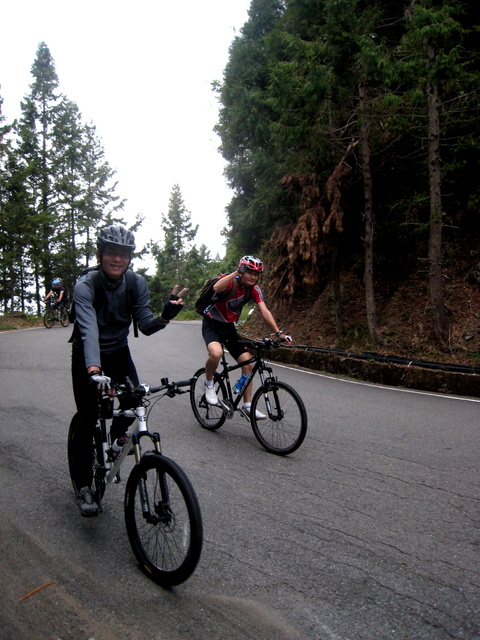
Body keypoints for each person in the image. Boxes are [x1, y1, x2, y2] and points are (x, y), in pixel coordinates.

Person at [69, 224, 186, 517]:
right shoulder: (85, 285)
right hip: (87, 355)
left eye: (124, 254)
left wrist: (164, 316)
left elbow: (145, 325)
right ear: (100, 254)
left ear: (130, 257)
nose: (118, 259)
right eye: (111, 252)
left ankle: (115, 444)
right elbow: (88, 329)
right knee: (87, 418)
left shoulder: (136, 283)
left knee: (134, 402)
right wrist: (94, 370)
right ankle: (84, 486)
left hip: (118, 352)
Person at [202, 255, 292, 418]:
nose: (253, 277)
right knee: (216, 353)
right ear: (242, 271)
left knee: (248, 364)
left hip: (229, 328)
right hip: (212, 324)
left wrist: (278, 333)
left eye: (256, 274)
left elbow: (264, 311)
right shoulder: (231, 281)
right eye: (250, 272)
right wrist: (236, 272)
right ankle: (209, 384)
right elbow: (216, 288)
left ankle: (247, 406)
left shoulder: (254, 289)